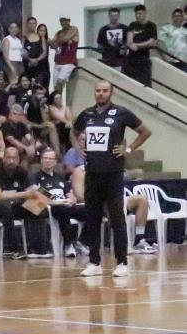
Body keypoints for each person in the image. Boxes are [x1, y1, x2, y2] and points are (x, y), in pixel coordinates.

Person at [72, 81, 151, 277]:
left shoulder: (121, 113)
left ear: (111, 93)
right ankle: (94, 262)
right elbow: (73, 132)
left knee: (117, 218)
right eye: (97, 90)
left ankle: (122, 262)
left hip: (113, 173)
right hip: (92, 174)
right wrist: (77, 148)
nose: (100, 94)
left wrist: (129, 149)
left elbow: (145, 131)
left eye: (104, 91)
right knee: (93, 218)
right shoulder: (87, 114)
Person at [0, 146, 51, 258]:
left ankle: (38, 248)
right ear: (3, 158)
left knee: (39, 205)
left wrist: (48, 198)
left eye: (14, 158)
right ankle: (14, 249)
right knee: (5, 210)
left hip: (12, 205)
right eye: (8, 158)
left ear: (18, 160)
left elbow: (33, 190)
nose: (11, 161)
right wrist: (24, 194)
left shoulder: (22, 171)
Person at [31, 149, 87, 257]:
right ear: (41, 160)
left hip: (65, 204)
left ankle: (82, 242)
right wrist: (56, 201)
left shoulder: (60, 176)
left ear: (55, 161)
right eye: (45, 158)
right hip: (51, 207)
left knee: (92, 210)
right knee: (63, 210)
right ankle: (68, 245)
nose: (48, 161)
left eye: (50, 158)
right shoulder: (35, 177)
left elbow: (68, 193)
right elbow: (35, 193)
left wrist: (71, 198)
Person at [125, 4, 158, 87]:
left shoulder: (151, 26)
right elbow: (129, 41)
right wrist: (131, 44)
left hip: (144, 60)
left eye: (140, 14)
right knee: (131, 84)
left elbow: (151, 42)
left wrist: (137, 45)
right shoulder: (132, 25)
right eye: (136, 14)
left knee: (145, 84)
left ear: (145, 13)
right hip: (132, 60)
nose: (138, 16)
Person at [50, 15, 79, 93]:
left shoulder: (74, 29)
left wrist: (58, 41)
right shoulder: (58, 32)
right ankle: (57, 102)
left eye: (66, 20)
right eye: (62, 20)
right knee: (55, 87)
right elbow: (52, 44)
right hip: (58, 62)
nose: (64, 22)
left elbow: (63, 39)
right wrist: (55, 42)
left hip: (68, 62)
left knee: (60, 81)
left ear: (69, 21)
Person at [23, 16, 49, 86]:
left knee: (38, 86)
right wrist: (29, 60)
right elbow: (22, 52)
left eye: (33, 23)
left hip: (40, 68)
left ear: (36, 24)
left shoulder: (41, 37)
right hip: (28, 67)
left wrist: (36, 60)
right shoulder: (24, 37)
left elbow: (44, 52)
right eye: (30, 23)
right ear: (27, 25)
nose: (32, 25)